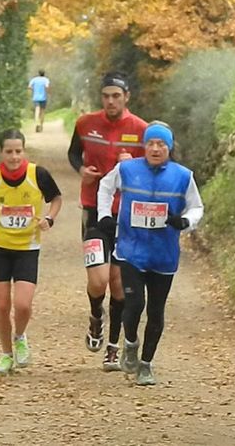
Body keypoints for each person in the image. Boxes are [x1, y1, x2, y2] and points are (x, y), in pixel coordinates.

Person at [96, 121, 204, 385]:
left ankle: (146, 364)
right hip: (131, 250)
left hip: (163, 254)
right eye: (151, 144)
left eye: (161, 144)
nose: (155, 149)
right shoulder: (127, 169)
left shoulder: (183, 176)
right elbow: (105, 187)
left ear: (169, 147)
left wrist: (184, 222)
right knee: (134, 303)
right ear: (144, 145)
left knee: (156, 311)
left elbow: (196, 207)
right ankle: (130, 342)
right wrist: (104, 216)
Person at [67, 71, 147, 371]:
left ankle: (112, 348)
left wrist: (135, 166)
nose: (111, 101)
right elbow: (74, 153)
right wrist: (81, 171)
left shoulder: (140, 128)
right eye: (106, 96)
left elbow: (156, 163)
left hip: (127, 214)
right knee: (98, 279)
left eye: (117, 95)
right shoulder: (86, 123)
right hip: (93, 208)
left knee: (117, 282)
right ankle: (95, 315)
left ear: (127, 97)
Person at [0, 128, 62, 375]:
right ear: (0, 153)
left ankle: (20, 336)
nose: (13, 156)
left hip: (27, 248)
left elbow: (56, 199)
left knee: (22, 305)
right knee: (1, 305)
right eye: (8, 151)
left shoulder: (37, 174)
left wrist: (49, 219)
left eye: (18, 151)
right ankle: (6, 354)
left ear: (24, 151)